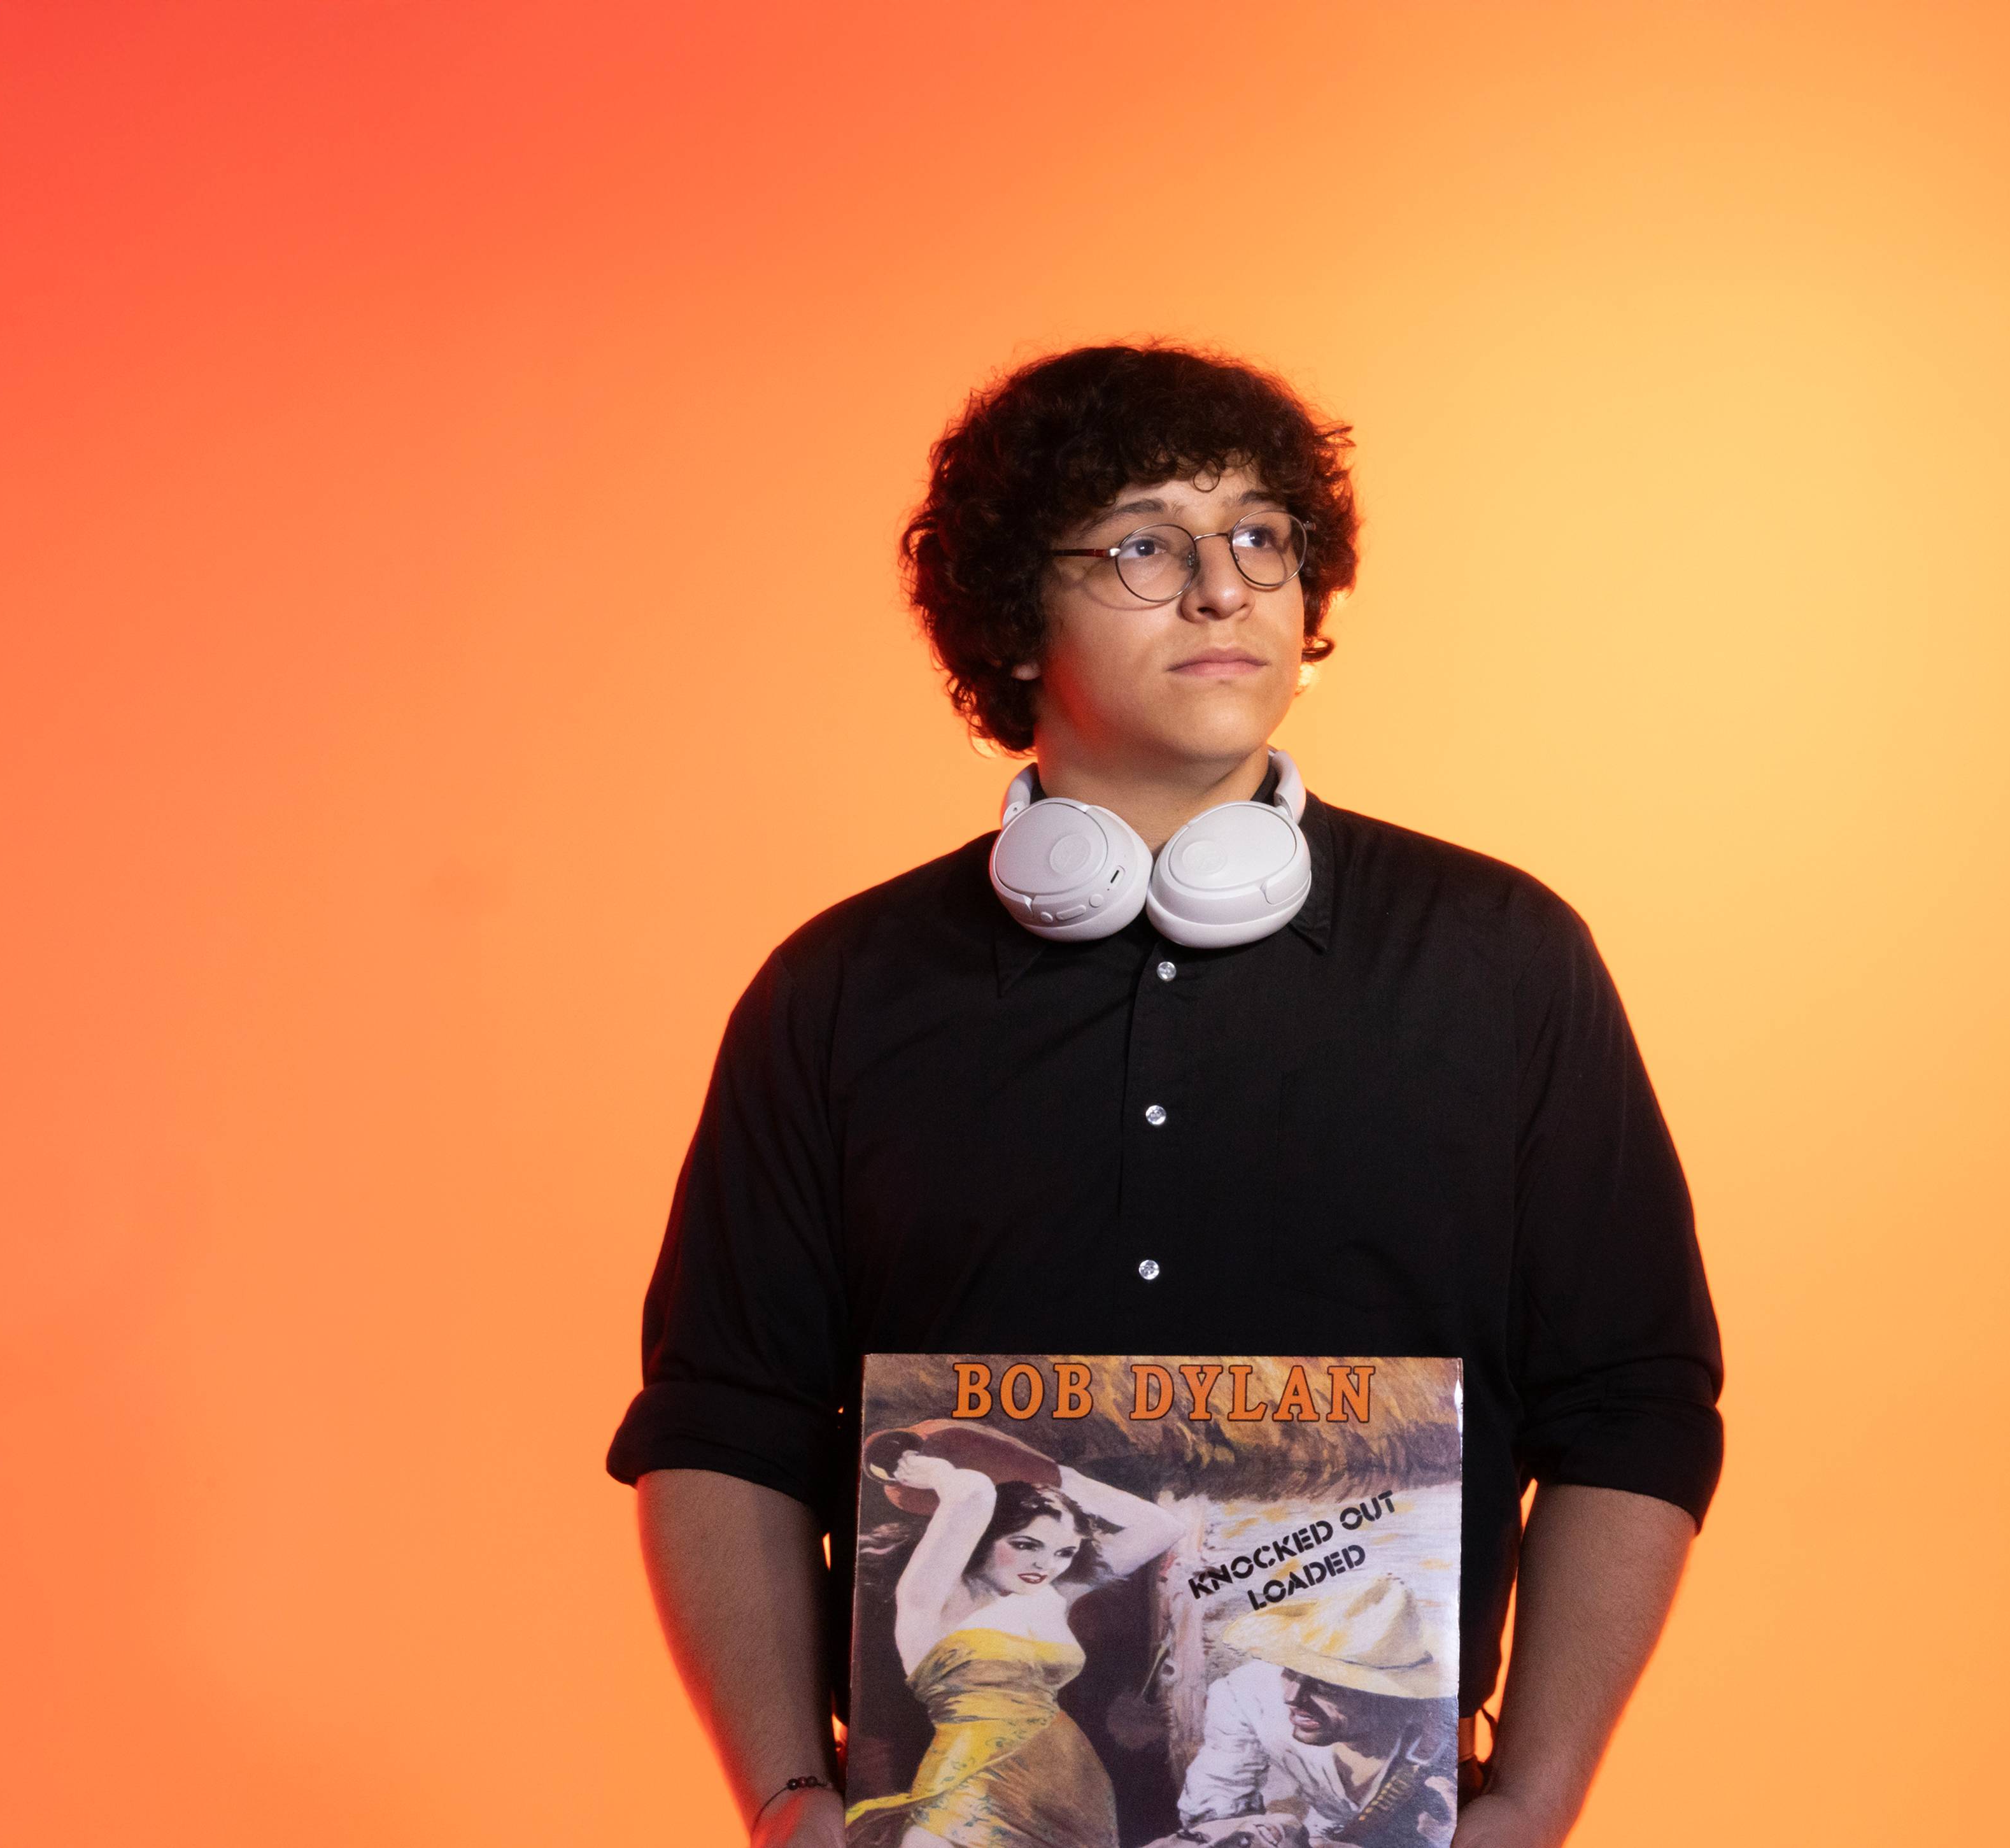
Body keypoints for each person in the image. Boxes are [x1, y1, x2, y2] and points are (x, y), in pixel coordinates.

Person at [607, 342, 1725, 1848]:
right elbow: (722, 1419)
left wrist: (1534, 1797)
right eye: (1144, 542)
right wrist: (783, 1800)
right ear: (1012, 622)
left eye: (1262, 537)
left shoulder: (1503, 961)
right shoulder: (839, 991)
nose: (1225, 588)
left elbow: (1633, 1407)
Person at [843, 1453, 1181, 1848]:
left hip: (1075, 1797)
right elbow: (973, 1494)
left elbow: (1161, 1527)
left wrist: (1056, 1476)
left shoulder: (1053, 1596)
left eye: (1064, 1553)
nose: (1045, 1565)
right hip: (970, 1787)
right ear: (986, 1535)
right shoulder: (931, 1598)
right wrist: (938, 1472)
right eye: (1025, 1545)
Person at [1145, 1575, 1459, 1848]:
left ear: (1388, 1695)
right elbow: (1216, 1804)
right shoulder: (1247, 1694)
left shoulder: (1445, 1738)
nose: (1292, 1698)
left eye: (1327, 1686)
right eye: (1291, 1671)